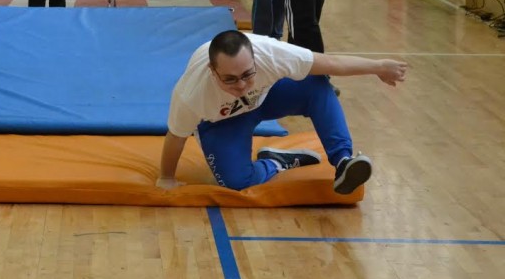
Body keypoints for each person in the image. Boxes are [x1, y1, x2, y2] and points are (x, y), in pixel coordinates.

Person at [156, 30, 408, 193]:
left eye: (247, 74)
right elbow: (176, 136)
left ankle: (342, 160)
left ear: (256, 59)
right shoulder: (192, 93)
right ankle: (276, 161)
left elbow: (331, 63)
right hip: (223, 120)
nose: (241, 85)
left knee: (317, 84)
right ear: (213, 71)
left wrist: (378, 66)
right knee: (236, 183)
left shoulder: (273, 54)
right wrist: (166, 178)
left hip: (265, 98)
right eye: (230, 79)